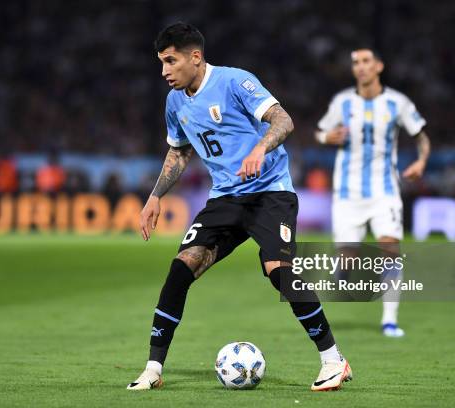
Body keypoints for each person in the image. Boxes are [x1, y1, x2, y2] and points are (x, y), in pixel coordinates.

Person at [128, 22, 351, 392]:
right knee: (181, 269)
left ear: (195, 57)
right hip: (225, 199)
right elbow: (180, 150)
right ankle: (153, 369)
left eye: (171, 61)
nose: (165, 71)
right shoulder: (174, 101)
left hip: (270, 194)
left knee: (279, 271)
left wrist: (260, 148)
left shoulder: (235, 82)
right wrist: (155, 196)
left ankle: (332, 359)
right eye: (161, 63)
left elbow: (283, 119)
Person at [315, 48, 431, 337]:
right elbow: (319, 131)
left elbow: (421, 136)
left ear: (379, 66)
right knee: (348, 259)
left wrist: (421, 161)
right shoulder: (342, 102)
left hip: (385, 191)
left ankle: (389, 321)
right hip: (347, 193)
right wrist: (326, 137)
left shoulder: (397, 103)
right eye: (356, 63)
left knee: (390, 249)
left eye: (366, 62)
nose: (361, 67)